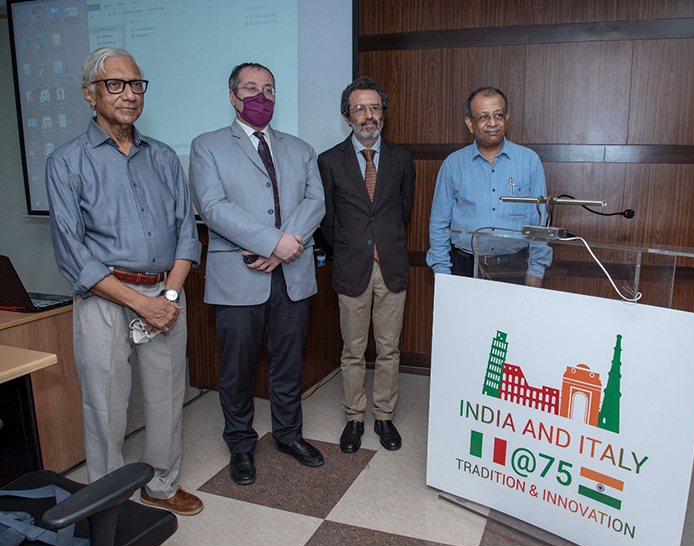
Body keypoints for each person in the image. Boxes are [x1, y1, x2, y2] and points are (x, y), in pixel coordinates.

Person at [46, 48, 203, 516]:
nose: (129, 95)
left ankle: (161, 486)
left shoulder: (164, 158)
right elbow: (73, 254)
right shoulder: (66, 162)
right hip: (106, 299)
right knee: (106, 407)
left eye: (136, 84)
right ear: (89, 94)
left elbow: (186, 233)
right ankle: (108, 504)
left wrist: (167, 296)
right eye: (115, 85)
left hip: (165, 294)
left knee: (167, 398)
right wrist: (141, 303)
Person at [189, 63, 326, 485]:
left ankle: (288, 434)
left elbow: (316, 201)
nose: (260, 97)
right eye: (250, 88)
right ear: (232, 96)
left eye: (268, 89)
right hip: (238, 275)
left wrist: (284, 247)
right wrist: (272, 242)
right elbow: (213, 207)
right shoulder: (207, 146)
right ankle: (240, 444)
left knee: (289, 363)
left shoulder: (300, 148)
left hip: (293, 272)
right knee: (236, 369)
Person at [319, 77, 416, 453]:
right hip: (351, 266)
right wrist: (352, 246)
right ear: (347, 116)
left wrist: (380, 244)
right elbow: (327, 220)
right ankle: (355, 418)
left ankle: (384, 416)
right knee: (353, 349)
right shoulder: (329, 161)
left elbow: (403, 212)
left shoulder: (401, 159)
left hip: (391, 265)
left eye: (374, 107)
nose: (368, 115)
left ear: (383, 113)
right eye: (359, 108)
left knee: (389, 349)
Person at [426, 86, 552, 286]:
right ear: (470, 123)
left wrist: (536, 270)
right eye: (484, 117)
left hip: (515, 268)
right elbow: (439, 223)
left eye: (498, 115)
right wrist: (442, 272)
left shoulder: (529, 161)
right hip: (464, 268)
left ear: (507, 118)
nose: (492, 123)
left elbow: (539, 223)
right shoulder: (453, 164)